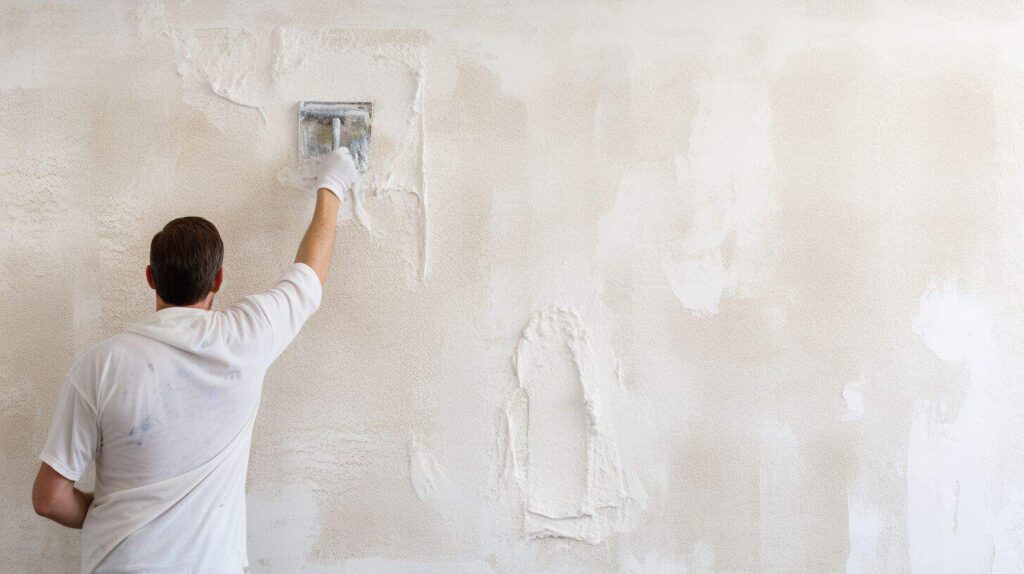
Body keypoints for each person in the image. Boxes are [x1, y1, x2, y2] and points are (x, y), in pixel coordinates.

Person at [30, 146, 359, 572]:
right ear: (218, 279)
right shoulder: (246, 337)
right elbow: (309, 276)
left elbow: (49, 499)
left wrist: (109, 510)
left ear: (150, 277)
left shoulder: (100, 366)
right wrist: (331, 186)